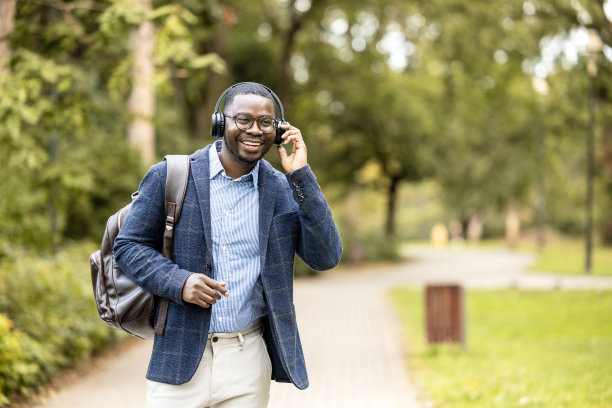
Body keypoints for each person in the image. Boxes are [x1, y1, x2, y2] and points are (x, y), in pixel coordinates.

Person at [113, 81, 342, 407]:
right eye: (243, 120)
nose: (255, 130)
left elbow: (326, 256)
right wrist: (180, 282)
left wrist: (301, 175)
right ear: (221, 122)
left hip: (246, 360)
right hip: (178, 357)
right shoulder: (172, 175)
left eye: (265, 122)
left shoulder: (282, 190)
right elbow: (129, 246)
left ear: (278, 130)